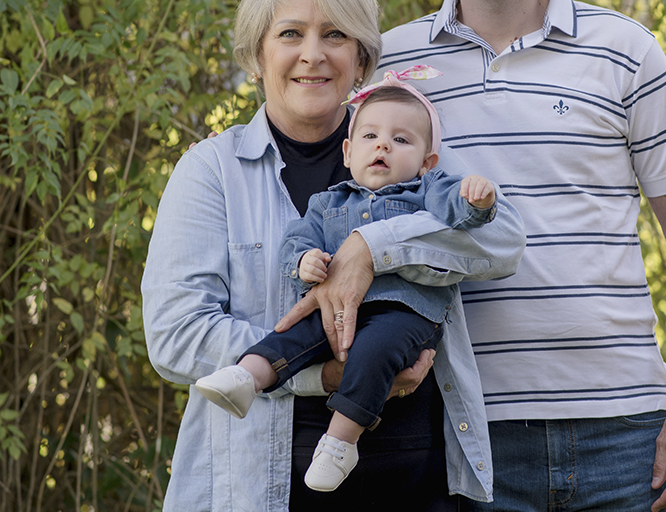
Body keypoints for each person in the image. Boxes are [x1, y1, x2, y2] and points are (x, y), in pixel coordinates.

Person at [279, 0, 666, 511]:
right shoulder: (391, 65)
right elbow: (334, 202)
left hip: (626, 436)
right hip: (464, 434)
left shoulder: (626, 52)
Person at [141, 0, 525, 511]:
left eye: (336, 35)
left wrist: (373, 247)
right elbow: (176, 335)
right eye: (291, 34)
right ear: (257, 55)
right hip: (265, 484)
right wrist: (323, 374)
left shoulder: (404, 146)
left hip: (415, 481)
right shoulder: (212, 172)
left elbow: (502, 239)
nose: (313, 55)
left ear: (362, 60)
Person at [193, 70, 502, 493]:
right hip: (336, 307)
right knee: (293, 332)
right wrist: (304, 261)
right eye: (371, 136)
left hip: (405, 312)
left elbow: (462, 216)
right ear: (348, 150)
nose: (383, 146)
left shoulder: (427, 189)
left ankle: (340, 442)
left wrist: (477, 199)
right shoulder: (329, 201)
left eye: (401, 140)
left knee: (375, 351)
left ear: (428, 161)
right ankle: (247, 377)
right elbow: (296, 239)